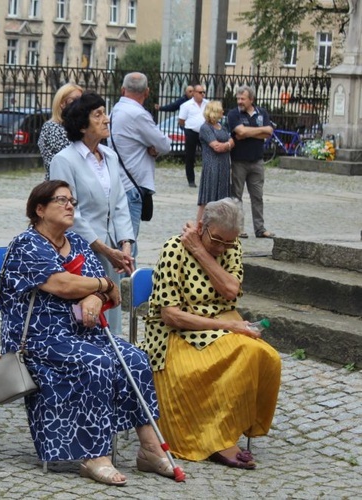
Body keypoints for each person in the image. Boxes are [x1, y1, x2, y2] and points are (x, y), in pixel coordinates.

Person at [0, 180, 181, 486]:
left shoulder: (79, 243)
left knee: (135, 359)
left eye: (73, 201)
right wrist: (100, 286)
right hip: (41, 337)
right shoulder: (27, 244)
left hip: (83, 333)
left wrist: (97, 295)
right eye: (62, 200)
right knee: (97, 363)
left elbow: (114, 295)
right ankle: (94, 455)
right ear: (39, 209)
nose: (71, 205)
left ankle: (149, 449)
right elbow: (62, 284)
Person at [141, 198, 281, 468]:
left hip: (223, 322)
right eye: (216, 241)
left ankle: (228, 427)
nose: (222, 249)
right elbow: (171, 315)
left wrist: (203, 253)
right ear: (201, 228)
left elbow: (230, 290)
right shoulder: (174, 249)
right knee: (236, 356)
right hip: (177, 333)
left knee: (266, 358)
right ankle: (216, 440)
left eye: (228, 243)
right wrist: (232, 326)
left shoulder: (230, 246)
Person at [49, 91, 134, 335]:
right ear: (83, 125)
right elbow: (68, 212)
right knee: (86, 315)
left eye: (105, 113)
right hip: (81, 252)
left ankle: (113, 362)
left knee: (113, 312)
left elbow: (119, 202)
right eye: (98, 115)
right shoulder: (64, 160)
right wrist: (104, 249)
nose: (106, 119)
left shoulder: (110, 156)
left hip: (111, 252)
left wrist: (125, 244)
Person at [110, 72, 171, 258]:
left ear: (122, 90)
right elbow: (164, 145)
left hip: (118, 181)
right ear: (147, 91)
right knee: (128, 245)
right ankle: (128, 285)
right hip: (132, 186)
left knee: (119, 239)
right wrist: (153, 149)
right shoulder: (138, 114)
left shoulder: (115, 111)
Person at [228, 85, 275, 239]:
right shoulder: (233, 114)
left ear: (251, 99)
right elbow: (240, 132)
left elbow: (269, 133)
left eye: (243, 99)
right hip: (238, 160)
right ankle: (238, 228)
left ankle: (260, 228)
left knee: (257, 196)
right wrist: (259, 131)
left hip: (257, 160)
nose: (239, 101)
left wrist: (248, 132)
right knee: (237, 196)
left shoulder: (262, 113)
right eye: (238, 98)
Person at [197, 101, 234, 221]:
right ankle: (199, 226)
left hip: (223, 166)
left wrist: (227, 145)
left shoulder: (222, 127)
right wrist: (228, 145)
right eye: (220, 109)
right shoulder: (205, 127)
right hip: (212, 166)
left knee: (222, 199)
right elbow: (216, 147)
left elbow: (232, 141)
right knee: (208, 198)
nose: (223, 112)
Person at [37, 83, 82, 179]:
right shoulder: (52, 127)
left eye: (81, 101)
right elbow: (72, 158)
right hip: (60, 183)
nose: (80, 105)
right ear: (62, 103)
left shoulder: (76, 127)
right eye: (75, 100)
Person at [178, 84, 209, 187]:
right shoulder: (186, 105)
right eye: (200, 92)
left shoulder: (207, 104)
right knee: (190, 156)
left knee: (208, 154)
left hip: (205, 132)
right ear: (194, 93)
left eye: (203, 92)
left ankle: (208, 178)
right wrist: (187, 128)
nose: (202, 94)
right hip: (191, 131)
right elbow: (181, 120)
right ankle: (191, 180)